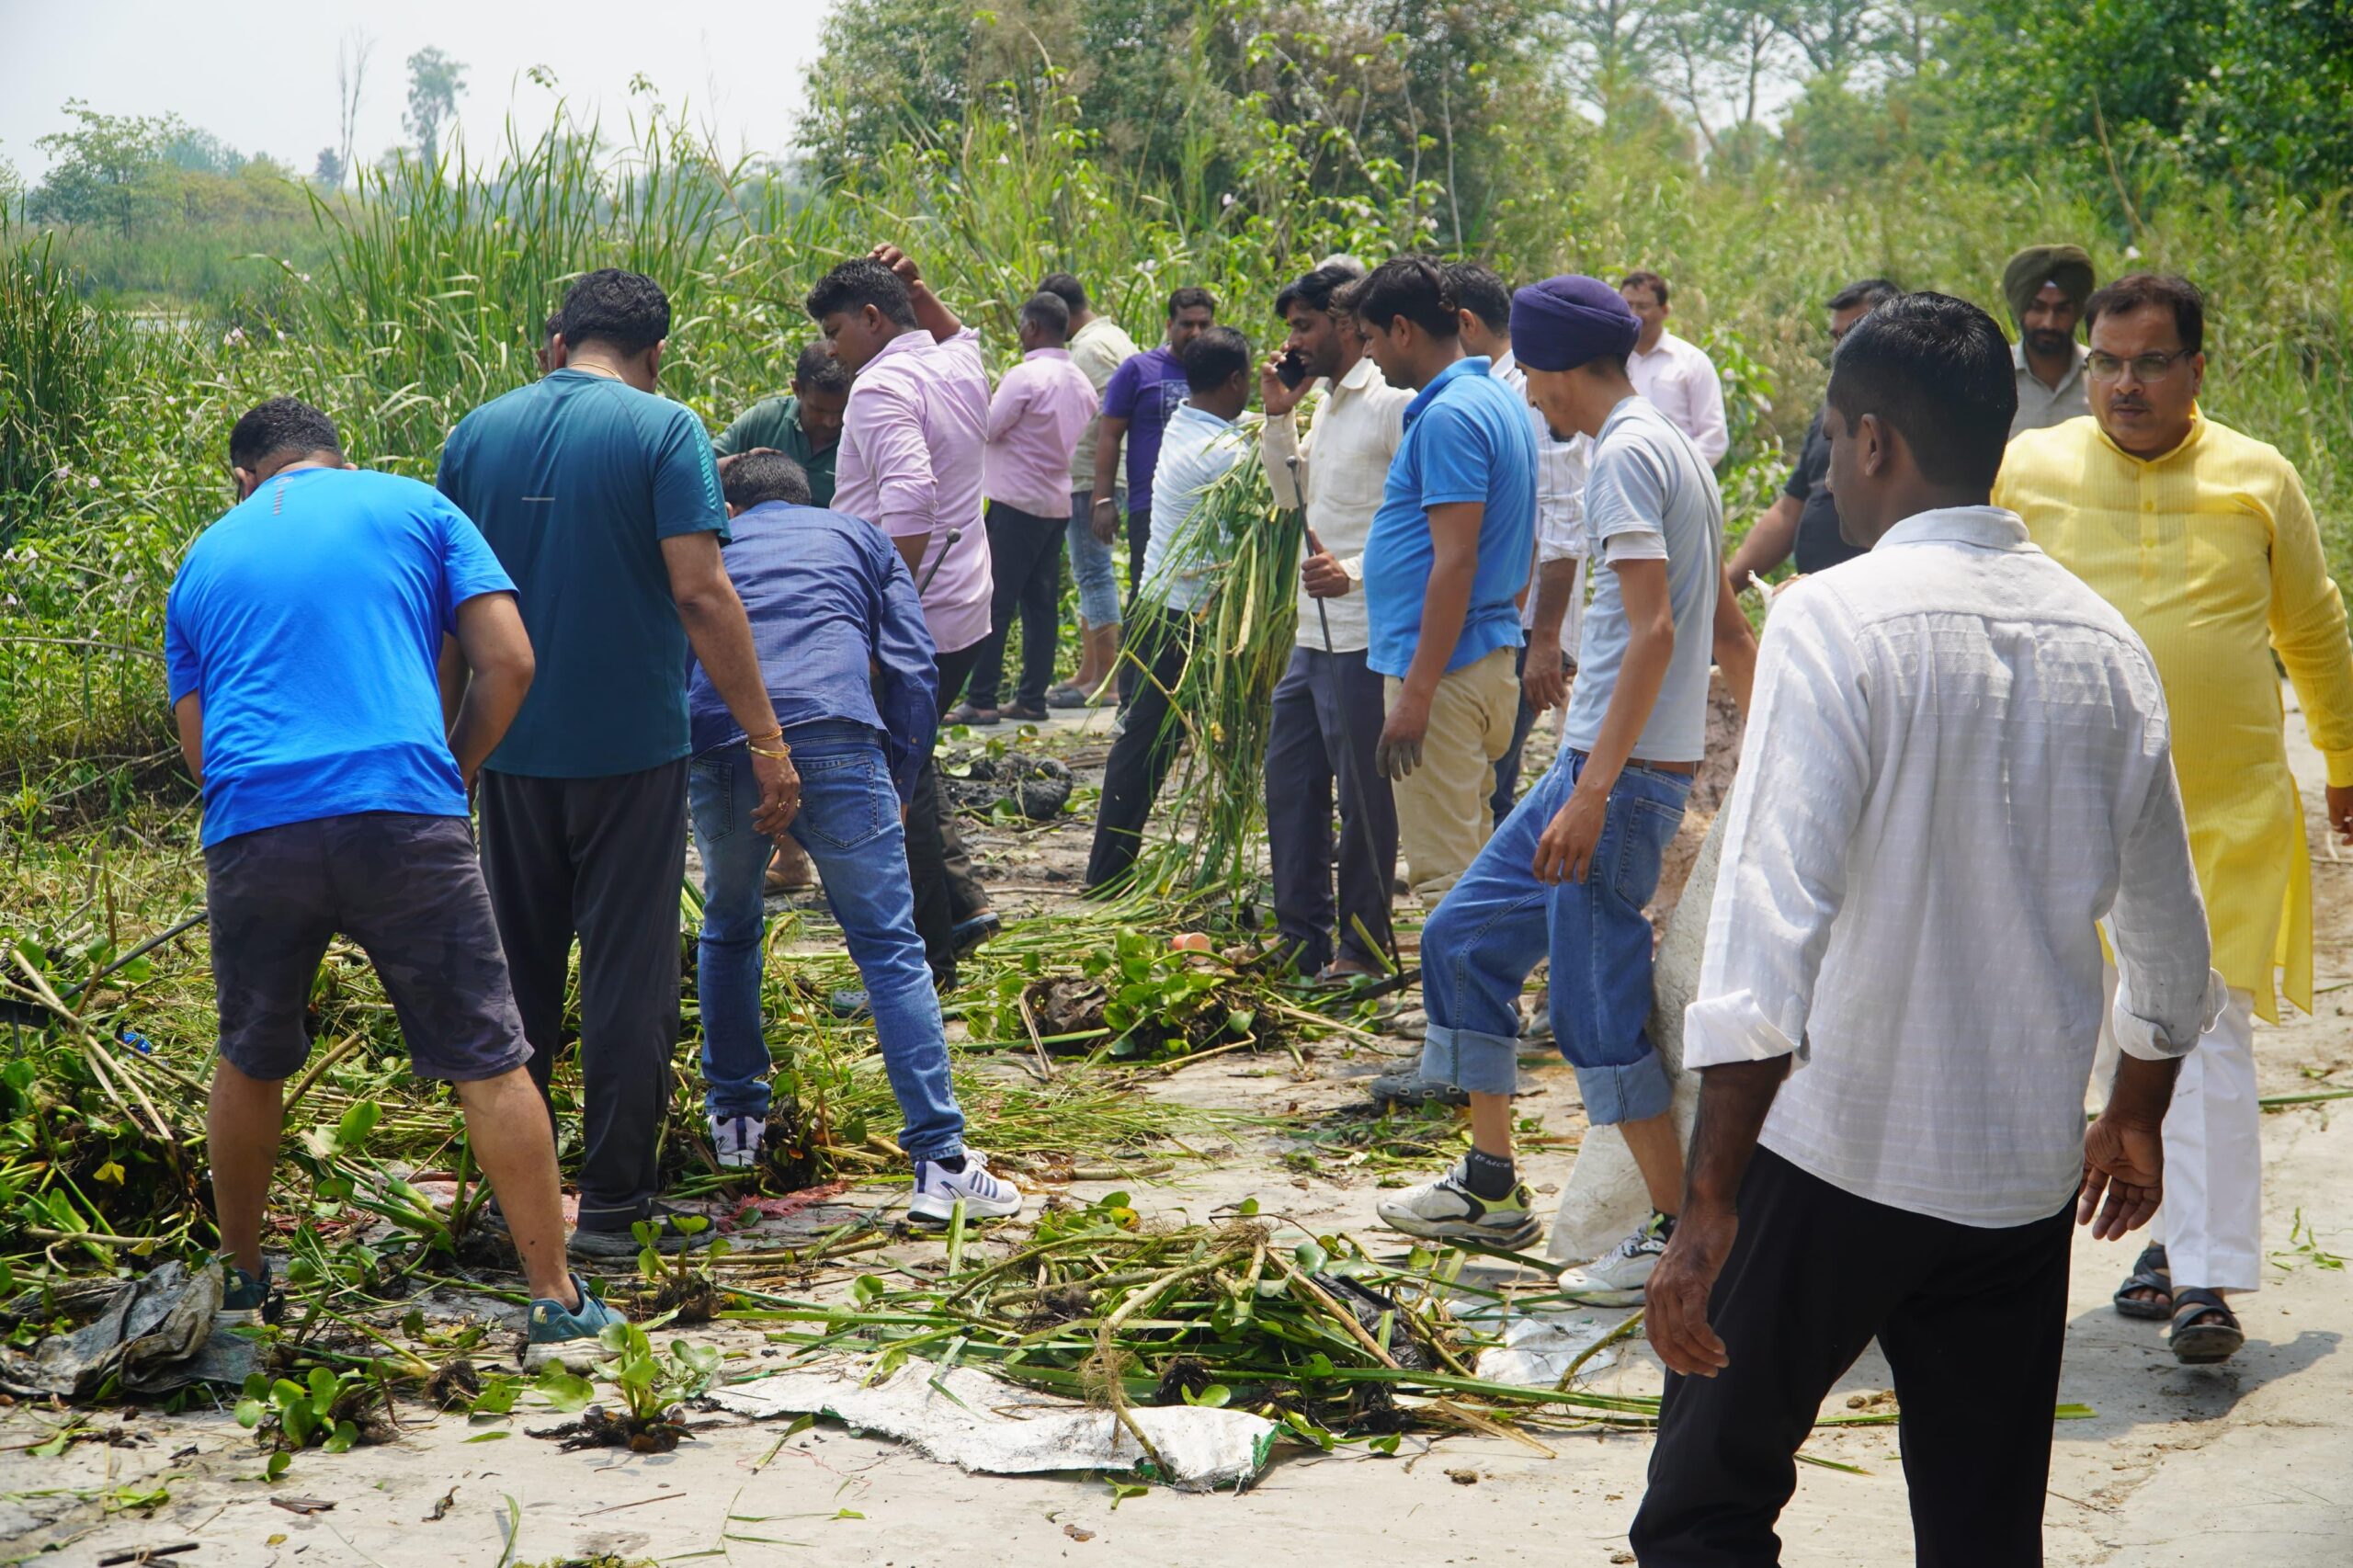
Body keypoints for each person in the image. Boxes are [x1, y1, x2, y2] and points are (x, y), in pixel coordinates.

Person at [1634, 291, 2220, 1566]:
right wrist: (2135, 1111)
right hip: (2015, 1175)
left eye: (1833, 441)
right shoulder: (2106, 645)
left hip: (1835, 1150)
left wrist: (1707, 1203)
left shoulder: (1832, 618)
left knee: (1703, 1509)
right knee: (1981, 1528)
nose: (1831, 474)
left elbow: (1767, 932)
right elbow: (2172, 944)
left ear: (1873, 441)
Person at [172, 397, 622, 1368]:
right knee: (489, 1059)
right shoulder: (417, 506)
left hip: (255, 824)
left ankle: (242, 1284)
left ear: (245, 479)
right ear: (341, 458)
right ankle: (555, 1302)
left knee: (249, 1056)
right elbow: (509, 659)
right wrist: (453, 770)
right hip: (402, 812)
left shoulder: (205, 555)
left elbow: (200, 745)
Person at [1997, 273, 2353, 1365]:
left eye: (2151, 362)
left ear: (2197, 367)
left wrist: (2344, 760)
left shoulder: (2257, 476)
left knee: (2208, 1033)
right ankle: (2056, 1251)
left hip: (2223, 816)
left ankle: (2202, 1273)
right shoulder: (2029, 470)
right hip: (2064, 812)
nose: (2124, 384)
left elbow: (2312, 627)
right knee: (2080, 1031)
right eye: (2106, 363)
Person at [1376, 276, 1756, 1290]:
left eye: (1529, 377)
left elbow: (1657, 632)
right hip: (1589, 766)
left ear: (1553, 369)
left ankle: (1677, 1233)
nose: (1530, 397)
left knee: (1594, 1007)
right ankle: (1490, 1184)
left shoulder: (1626, 455)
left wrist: (1592, 794)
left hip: (1614, 782)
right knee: (1462, 938)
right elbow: (1727, 628)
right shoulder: (1667, 446)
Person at [438, 269, 797, 1258]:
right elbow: (702, 591)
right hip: (632, 750)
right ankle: (612, 1205)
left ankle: (513, 1203)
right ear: (656, 352)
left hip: (508, 750)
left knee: (515, 973)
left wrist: (446, 752)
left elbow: (450, 613)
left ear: (560, 342)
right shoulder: (665, 429)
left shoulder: (476, 433)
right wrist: (767, 739)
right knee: (627, 978)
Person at [687, 450, 1027, 1221]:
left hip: (724, 743)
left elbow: (681, 645)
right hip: (837, 735)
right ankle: (940, 1162)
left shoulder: (712, 542)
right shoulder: (857, 536)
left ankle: (735, 1125)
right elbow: (913, 665)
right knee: (889, 948)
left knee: (729, 926)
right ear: (807, 499)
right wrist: (900, 782)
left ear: (731, 509)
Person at [811, 245, 1001, 988]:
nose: (831, 351)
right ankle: (960, 908)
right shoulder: (956, 363)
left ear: (871, 318)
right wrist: (920, 289)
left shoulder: (881, 385)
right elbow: (961, 334)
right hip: (963, 605)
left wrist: (885, 612)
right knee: (913, 761)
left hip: (914, 611)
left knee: (897, 783)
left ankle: (924, 962)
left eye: (835, 332)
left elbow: (911, 498)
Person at [1338, 256, 1534, 904]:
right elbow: (1522, 541)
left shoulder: (1451, 417)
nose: (1369, 355)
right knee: (1475, 868)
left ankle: (1461, 982)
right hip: (1481, 655)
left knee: (1447, 884)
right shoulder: (1497, 400)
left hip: (1445, 675)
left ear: (1402, 330)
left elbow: (1456, 561)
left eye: (1370, 338)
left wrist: (1417, 695)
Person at [1259, 260, 1407, 982]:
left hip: (1364, 636)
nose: (1294, 341)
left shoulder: (1391, 403)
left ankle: (1364, 950)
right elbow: (1293, 500)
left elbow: (1422, 521)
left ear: (1347, 323)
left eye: (1305, 325)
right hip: (1311, 634)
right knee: (1291, 785)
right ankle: (1302, 938)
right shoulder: (1324, 404)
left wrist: (1352, 570)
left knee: (1365, 800)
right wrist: (1278, 417)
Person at [1084, 325, 1256, 888]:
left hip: (1161, 605)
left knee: (1145, 742)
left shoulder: (1184, 422)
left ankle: (1110, 870)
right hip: (1186, 617)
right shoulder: (1222, 455)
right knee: (1150, 744)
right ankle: (1109, 874)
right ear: (1236, 381)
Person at [1449, 261, 1589, 830]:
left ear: (1465, 323)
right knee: (1485, 782)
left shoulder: (1531, 390)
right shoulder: (1494, 387)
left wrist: (1546, 641)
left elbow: (1563, 517)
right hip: (1509, 621)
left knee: (1491, 790)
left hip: (1530, 628)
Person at [955, 291, 1100, 725]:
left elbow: (988, 427)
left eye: (1022, 325)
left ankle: (982, 699)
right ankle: (1031, 699)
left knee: (996, 601)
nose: (1020, 333)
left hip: (1015, 501)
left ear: (1033, 327)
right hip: (1056, 504)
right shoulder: (1081, 383)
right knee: (1041, 605)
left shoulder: (1025, 376)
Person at [1724, 277, 1904, 588]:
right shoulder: (1831, 415)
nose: (1841, 349)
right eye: (1836, 337)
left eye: (1854, 334)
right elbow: (1789, 511)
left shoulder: (1913, 420)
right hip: (1815, 595)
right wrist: (1727, 587)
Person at [1093, 286, 1218, 697]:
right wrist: (1103, 499)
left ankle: (1186, 695)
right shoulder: (1139, 370)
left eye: (1203, 324)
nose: (1195, 332)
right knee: (1147, 601)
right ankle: (1132, 699)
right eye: (1186, 324)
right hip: (1152, 506)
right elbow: (1109, 435)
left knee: (1201, 603)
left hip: (1209, 507)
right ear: (1169, 325)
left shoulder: (1218, 370)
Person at [1037, 272, 1139, 708]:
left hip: (1092, 474)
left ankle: (1107, 680)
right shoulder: (1111, 337)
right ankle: (1089, 671)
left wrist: (1100, 487)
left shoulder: (1089, 349)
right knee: (1089, 572)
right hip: (1103, 472)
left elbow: (1105, 414)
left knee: (1094, 572)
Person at [711, 342, 853, 507]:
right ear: (797, 389)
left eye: (841, 411)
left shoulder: (860, 430)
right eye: (819, 411)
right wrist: (746, 460)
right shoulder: (764, 419)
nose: (831, 422)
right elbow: (700, 468)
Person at [1620, 270, 1729, 467]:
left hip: (1677, 480)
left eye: (1643, 306)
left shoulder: (1692, 363)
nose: (1634, 314)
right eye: (1628, 305)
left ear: (1664, 310)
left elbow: (1714, 438)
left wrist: (1673, 474)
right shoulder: (1610, 362)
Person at [2001, 242, 2096, 437]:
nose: (2049, 323)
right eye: (2038, 308)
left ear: (2077, 312)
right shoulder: (1994, 374)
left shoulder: (2101, 374)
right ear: (2022, 310)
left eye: (2062, 310)